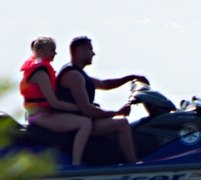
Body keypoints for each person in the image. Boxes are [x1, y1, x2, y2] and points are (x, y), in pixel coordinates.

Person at [55, 36, 148, 164]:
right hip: (77, 123)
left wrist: (131, 77)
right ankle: (133, 164)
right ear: (79, 50)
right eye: (90, 49)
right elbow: (86, 109)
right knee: (122, 123)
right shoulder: (73, 75)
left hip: (86, 120)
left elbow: (105, 84)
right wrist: (116, 113)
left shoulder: (78, 73)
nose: (93, 53)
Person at [20, 37, 92, 166]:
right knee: (85, 123)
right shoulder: (40, 73)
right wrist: (82, 108)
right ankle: (76, 165)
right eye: (52, 50)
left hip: (44, 115)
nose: (55, 53)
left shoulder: (41, 67)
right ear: (41, 52)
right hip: (40, 117)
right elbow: (54, 103)